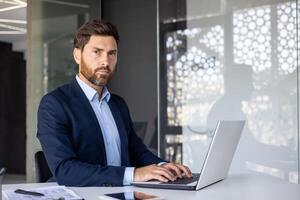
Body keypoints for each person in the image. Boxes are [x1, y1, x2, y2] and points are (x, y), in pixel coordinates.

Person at [37, 20, 192, 187]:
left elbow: (136, 151)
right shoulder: (54, 104)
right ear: (77, 55)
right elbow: (65, 170)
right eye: (97, 52)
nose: (106, 61)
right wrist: (133, 174)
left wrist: (163, 167)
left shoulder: (117, 104)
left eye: (112, 53)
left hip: (122, 193)